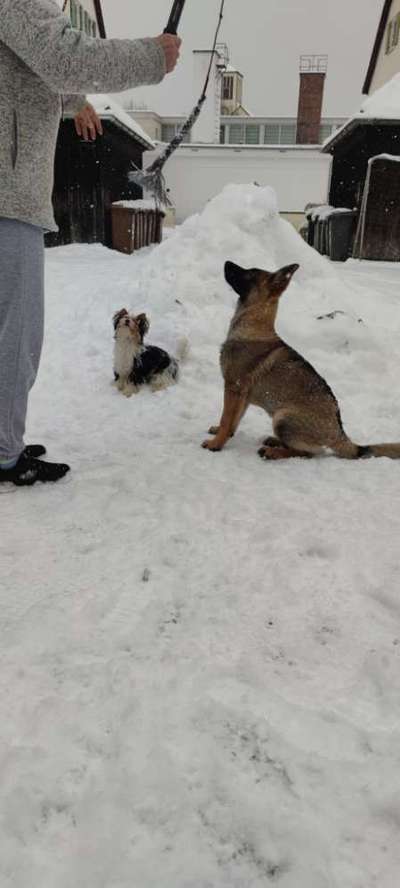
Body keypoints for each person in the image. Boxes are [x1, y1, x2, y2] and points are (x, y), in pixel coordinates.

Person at [0, 0, 181, 487]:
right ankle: (2, 454)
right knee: (16, 337)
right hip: (6, 198)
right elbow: (65, 56)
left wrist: (72, 100)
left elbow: (27, 79)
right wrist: (152, 57)